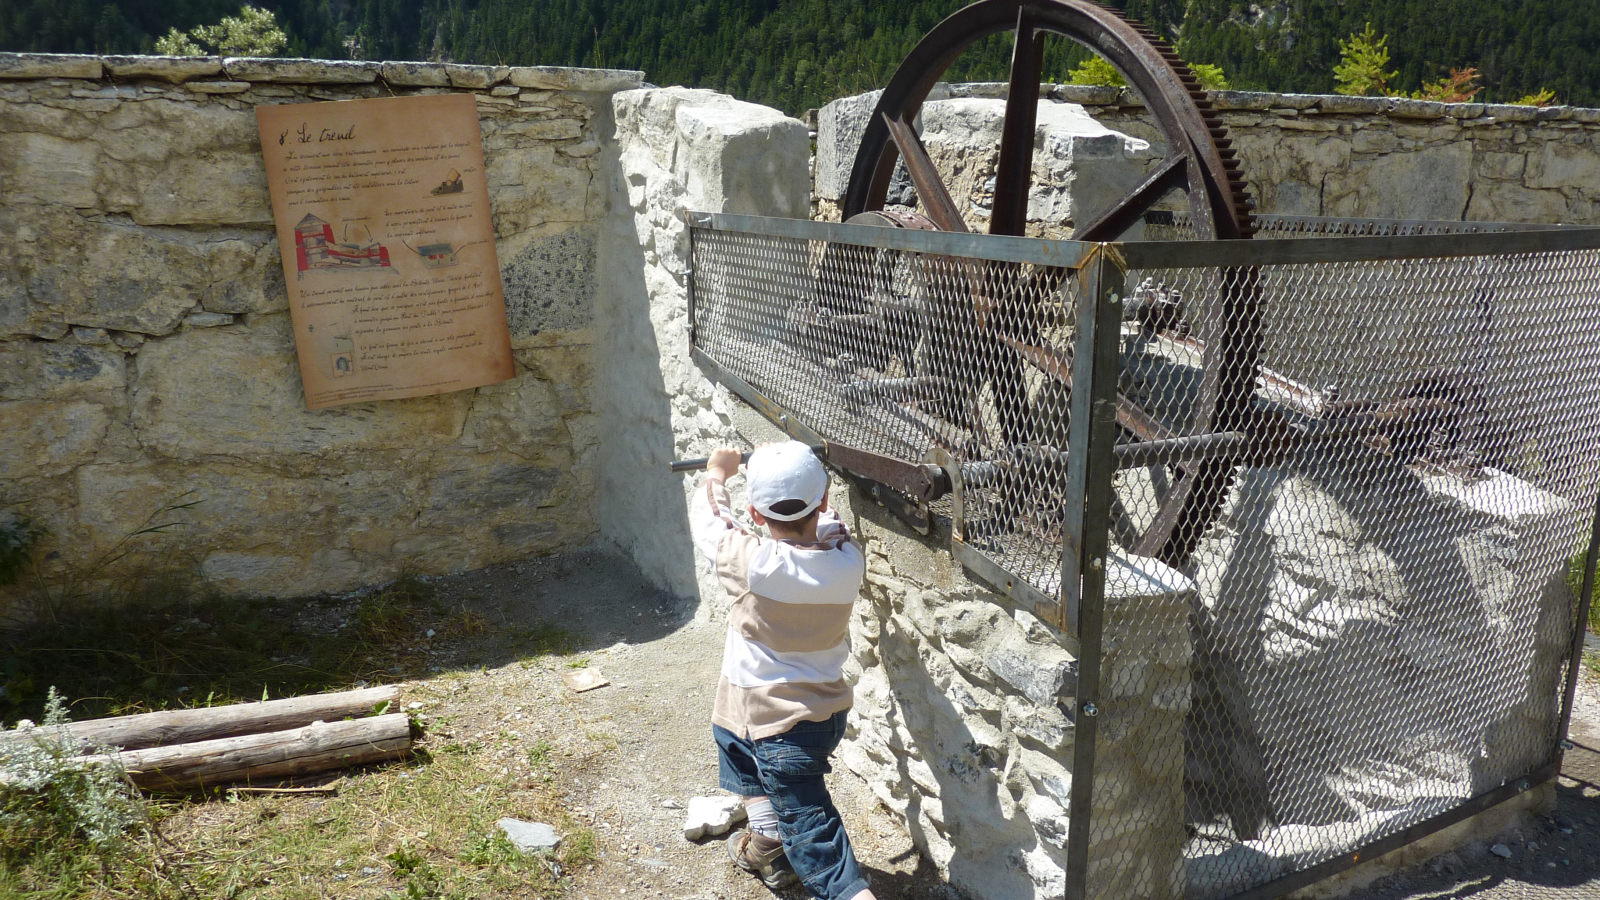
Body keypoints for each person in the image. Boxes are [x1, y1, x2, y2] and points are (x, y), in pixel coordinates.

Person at [689, 441, 877, 900]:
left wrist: (718, 472)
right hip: (817, 713)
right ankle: (768, 844)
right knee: (730, 739)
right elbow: (830, 526)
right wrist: (791, 469)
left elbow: (712, 519)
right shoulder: (847, 561)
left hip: (777, 729)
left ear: (756, 513)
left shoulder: (752, 563)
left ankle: (851, 892)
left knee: (814, 833)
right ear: (826, 501)